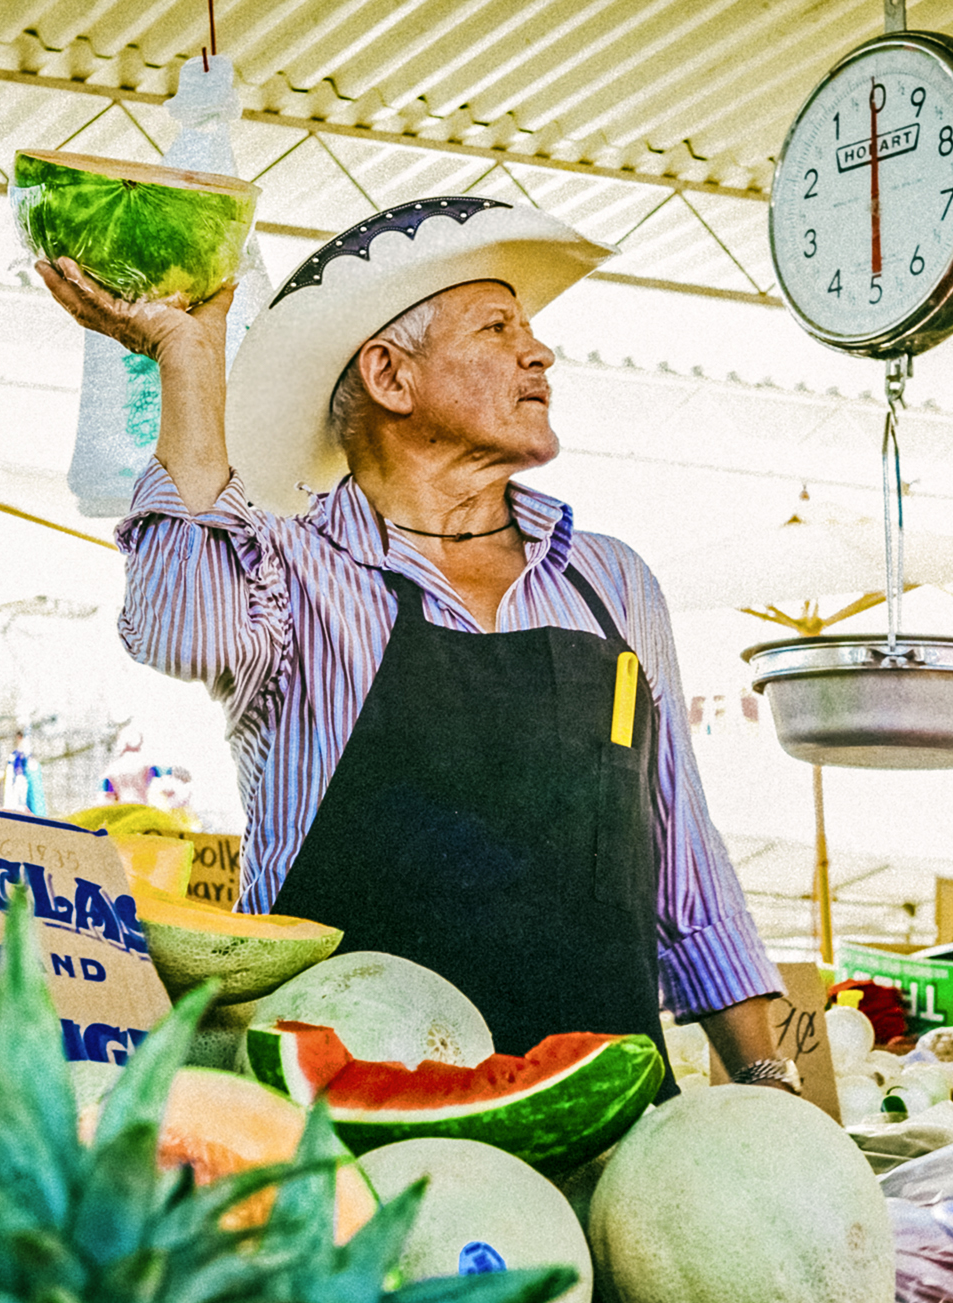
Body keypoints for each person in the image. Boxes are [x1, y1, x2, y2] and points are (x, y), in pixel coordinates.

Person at [40, 198, 795, 1094]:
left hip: (597, 1116)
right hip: (346, 1126)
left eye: (531, 328)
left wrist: (769, 1085)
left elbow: (686, 866)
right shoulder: (295, 570)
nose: (540, 352)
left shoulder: (611, 581)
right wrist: (189, 362)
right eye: (497, 325)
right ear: (391, 377)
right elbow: (178, 625)